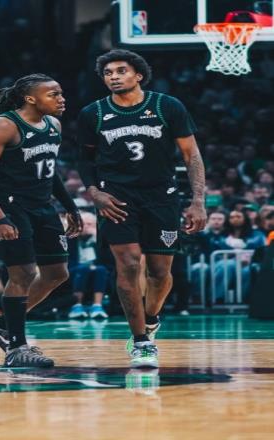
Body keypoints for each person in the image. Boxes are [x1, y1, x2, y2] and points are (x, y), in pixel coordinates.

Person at [77, 50, 207, 368]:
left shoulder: (167, 106)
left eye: (121, 70)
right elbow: (84, 160)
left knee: (160, 272)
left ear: (138, 75)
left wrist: (198, 201)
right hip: (117, 199)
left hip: (162, 196)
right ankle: (141, 342)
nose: (114, 76)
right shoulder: (92, 113)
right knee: (129, 265)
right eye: (108, 73)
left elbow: (191, 155)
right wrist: (95, 193)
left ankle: (150, 319)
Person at [0, 73, 83, 367]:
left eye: (61, 93)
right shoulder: (3, 126)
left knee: (57, 273)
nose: (61, 99)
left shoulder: (53, 125)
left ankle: (2, 325)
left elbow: (49, 170)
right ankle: (16, 347)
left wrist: (70, 206)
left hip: (42, 205)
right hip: (9, 206)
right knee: (23, 273)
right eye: (53, 94)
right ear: (30, 99)